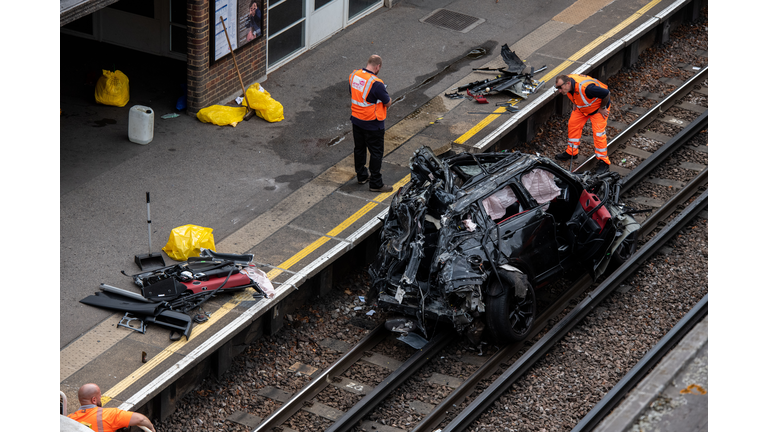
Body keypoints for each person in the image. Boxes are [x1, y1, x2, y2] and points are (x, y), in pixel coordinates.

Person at [349, 54, 393, 192]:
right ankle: (375, 183)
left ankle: (361, 175)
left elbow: (355, 94)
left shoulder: (353, 75)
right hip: (373, 123)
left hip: (356, 120)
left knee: (359, 149)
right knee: (376, 153)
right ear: (377, 66)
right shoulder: (376, 83)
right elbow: (388, 102)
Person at [553, 74, 612, 174]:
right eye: (557, 88)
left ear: (567, 84)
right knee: (573, 125)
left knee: (598, 133)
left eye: (560, 88)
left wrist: (602, 108)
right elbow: (575, 93)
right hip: (582, 108)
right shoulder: (568, 82)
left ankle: (604, 162)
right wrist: (575, 102)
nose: (559, 90)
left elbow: (606, 93)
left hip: (598, 110)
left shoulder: (588, 89)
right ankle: (572, 152)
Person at [67, 383, 156, 432]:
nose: (100, 398)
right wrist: (151, 428)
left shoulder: (68, 419)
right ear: (94, 400)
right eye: (99, 397)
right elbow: (141, 419)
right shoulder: (109, 415)